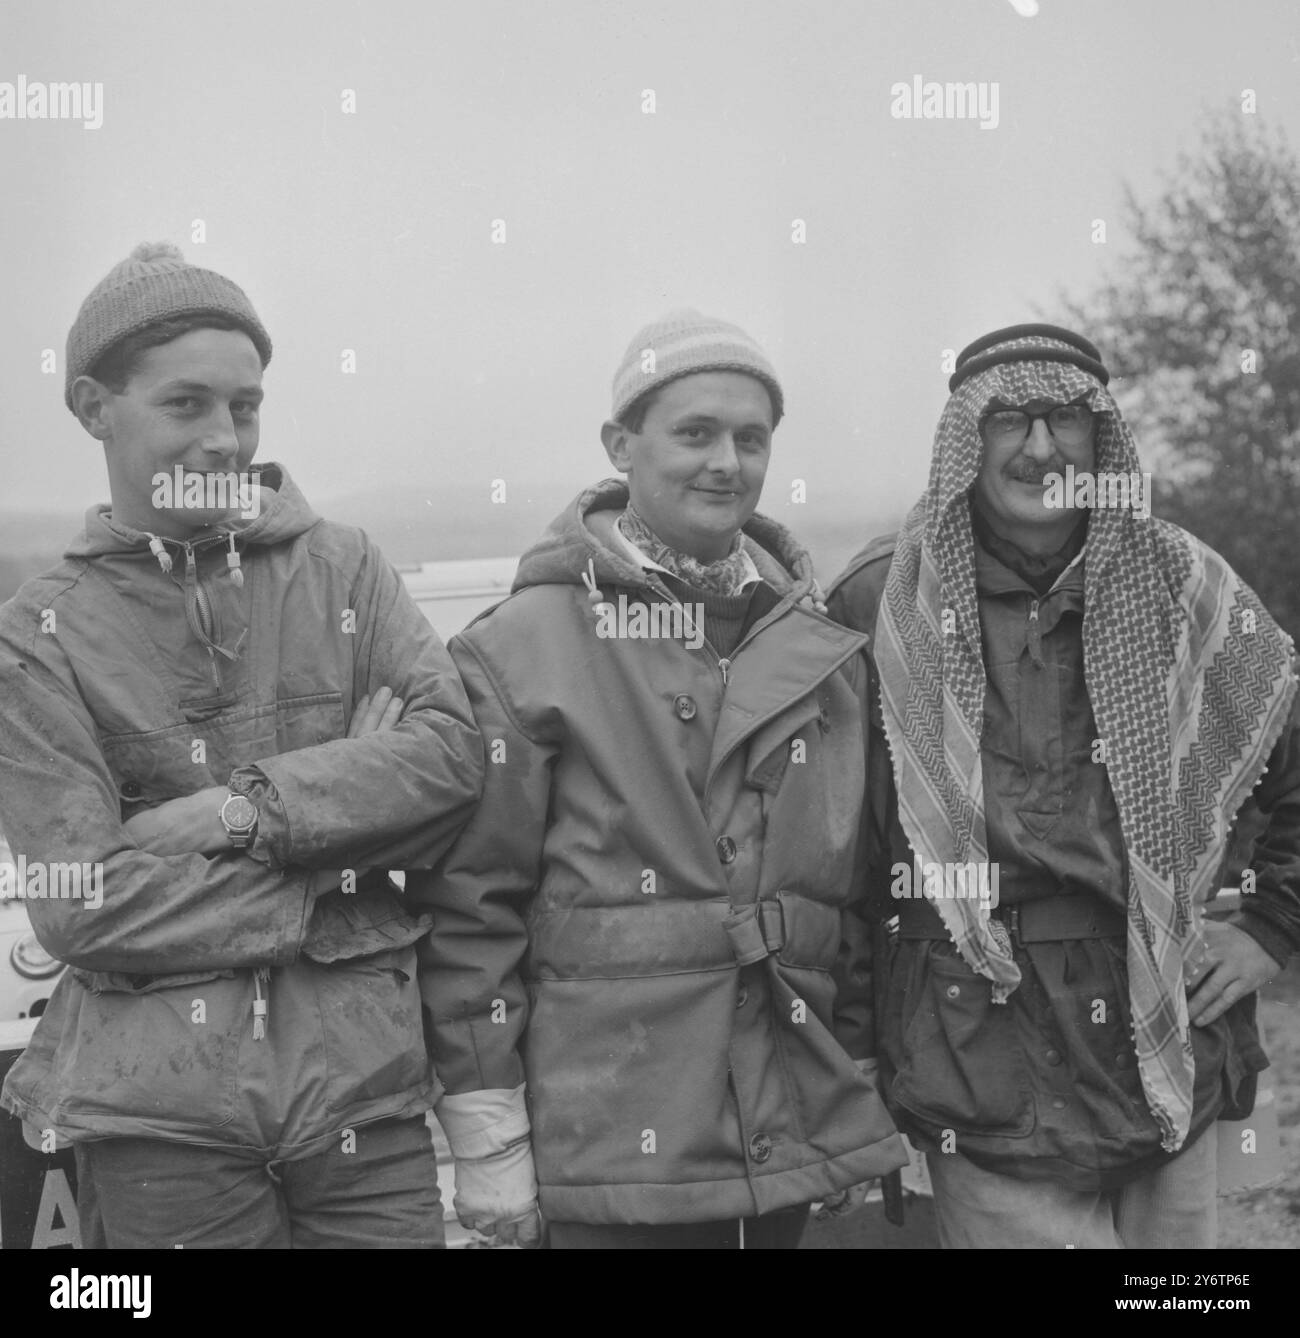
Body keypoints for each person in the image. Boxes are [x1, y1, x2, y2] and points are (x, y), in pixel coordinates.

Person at [0, 242, 483, 1248]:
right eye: (186, 405)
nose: (225, 439)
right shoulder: (35, 630)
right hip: (158, 1128)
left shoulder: (346, 570)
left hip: (368, 1111)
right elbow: (81, 907)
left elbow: (448, 759)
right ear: (94, 407)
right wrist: (347, 847)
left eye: (246, 405)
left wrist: (240, 812)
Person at [411, 310, 906, 1249]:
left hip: (790, 1134)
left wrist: (851, 1090)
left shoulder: (825, 654)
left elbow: (847, 900)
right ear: (619, 445)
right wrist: (490, 1144)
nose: (727, 461)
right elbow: (472, 913)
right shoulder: (521, 652)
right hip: (609, 1158)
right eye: (695, 433)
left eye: (750, 438)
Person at [827, 322, 1300, 1249]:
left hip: (1171, 1036)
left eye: (1066, 419)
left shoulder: (1188, 587)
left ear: (1102, 440)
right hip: (973, 1055)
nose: (1041, 448)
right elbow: (839, 851)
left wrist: (1273, 925)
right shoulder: (878, 601)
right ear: (965, 437)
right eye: (1009, 420)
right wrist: (848, 1068)